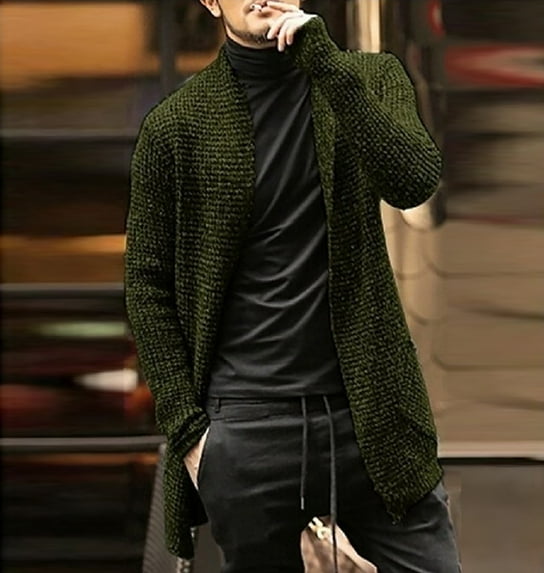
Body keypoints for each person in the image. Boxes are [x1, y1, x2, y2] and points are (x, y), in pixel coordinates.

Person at [124, 0, 461, 571]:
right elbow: (146, 284)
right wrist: (191, 436)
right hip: (247, 427)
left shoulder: (369, 77)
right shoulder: (176, 125)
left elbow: (413, 181)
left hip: (371, 416)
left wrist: (325, 62)